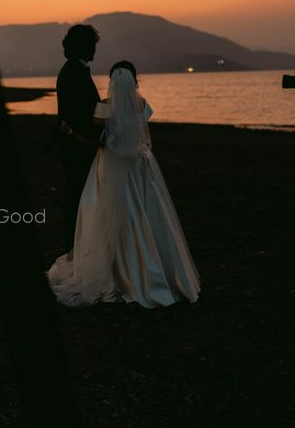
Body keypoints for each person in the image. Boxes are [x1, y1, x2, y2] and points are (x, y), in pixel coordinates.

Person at [47, 60, 200, 308]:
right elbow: (142, 134)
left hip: (111, 165)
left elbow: (99, 140)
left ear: (111, 82)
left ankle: (118, 270)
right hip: (141, 165)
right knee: (148, 213)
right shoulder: (142, 104)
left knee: (108, 214)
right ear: (134, 81)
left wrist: (71, 132)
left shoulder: (104, 107)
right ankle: (155, 271)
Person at [56, 24, 102, 250]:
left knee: (78, 197)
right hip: (77, 147)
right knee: (77, 198)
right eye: (92, 44)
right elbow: (82, 113)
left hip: (75, 145)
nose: (95, 49)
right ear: (84, 46)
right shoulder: (74, 72)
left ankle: (77, 247)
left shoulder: (72, 69)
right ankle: (74, 249)